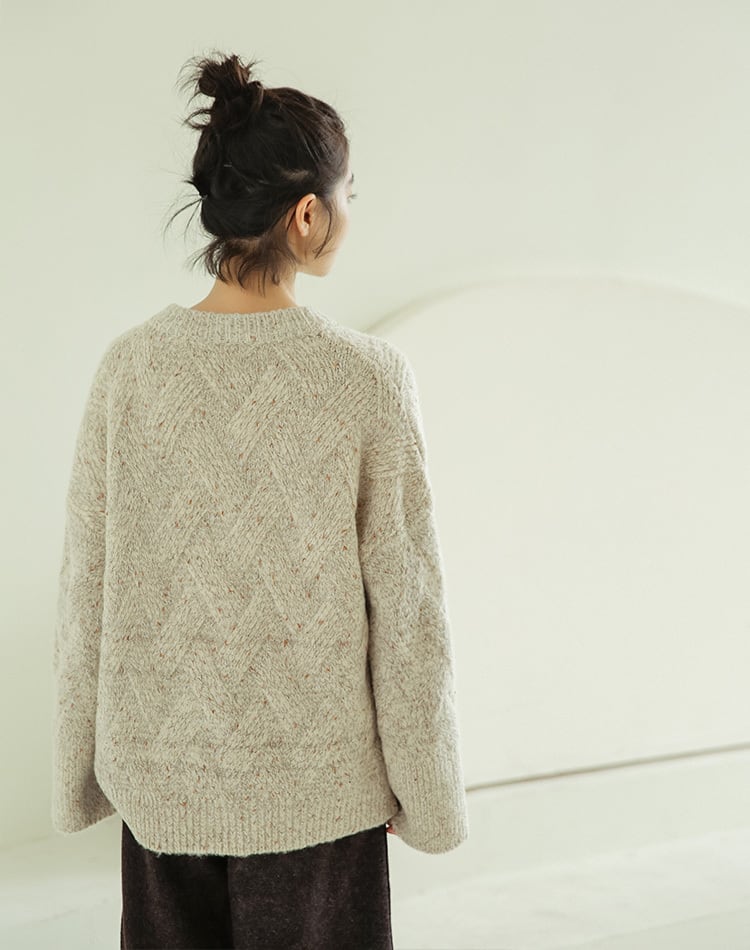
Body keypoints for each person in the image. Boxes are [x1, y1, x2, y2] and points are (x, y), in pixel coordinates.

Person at [51, 49, 469, 950]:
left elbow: (88, 581)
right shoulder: (365, 378)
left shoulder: (131, 369)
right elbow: (407, 607)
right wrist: (428, 793)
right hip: (319, 789)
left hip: (161, 784)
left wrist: (79, 770)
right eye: (351, 194)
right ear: (308, 214)